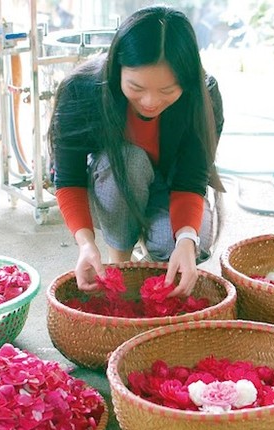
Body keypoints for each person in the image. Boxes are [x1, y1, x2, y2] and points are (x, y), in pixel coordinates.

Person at [48, 5, 225, 298]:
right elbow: (69, 180)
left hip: (170, 190)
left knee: (179, 246)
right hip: (112, 185)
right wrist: (86, 244)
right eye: (136, 86)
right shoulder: (81, 90)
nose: (151, 101)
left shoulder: (203, 95)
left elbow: (191, 180)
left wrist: (186, 239)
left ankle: (157, 266)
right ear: (117, 67)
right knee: (127, 160)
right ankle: (120, 265)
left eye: (168, 91)